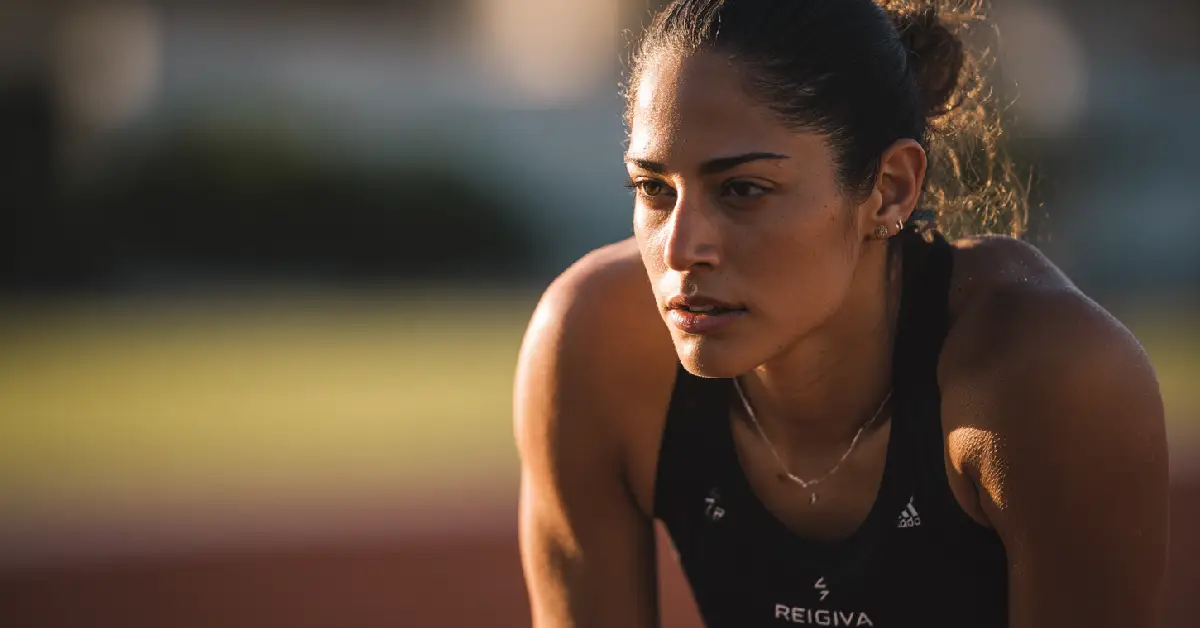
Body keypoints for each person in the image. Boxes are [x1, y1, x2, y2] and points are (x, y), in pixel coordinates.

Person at [513, 0, 1169, 626]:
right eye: (654, 188)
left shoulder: (1046, 377)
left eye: (742, 190)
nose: (680, 249)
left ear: (890, 190)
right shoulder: (593, 345)